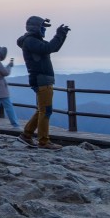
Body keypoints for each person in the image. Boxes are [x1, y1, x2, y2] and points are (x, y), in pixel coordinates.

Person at [17, 16, 70, 150]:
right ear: (35, 27)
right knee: (46, 111)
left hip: (41, 79)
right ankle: (43, 141)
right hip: (42, 80)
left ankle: (26, 135)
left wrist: (61, 35)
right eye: (42, 27)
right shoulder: (31, 41)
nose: (43, 30)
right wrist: (59, 34)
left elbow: (52, 47)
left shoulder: (33, 41)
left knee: (41, 109)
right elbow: (49, 48)